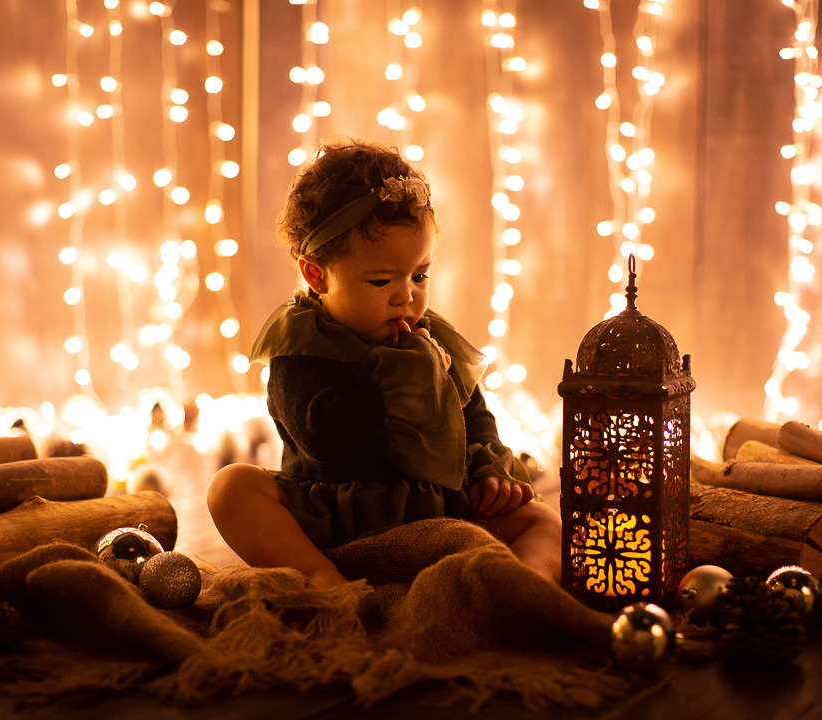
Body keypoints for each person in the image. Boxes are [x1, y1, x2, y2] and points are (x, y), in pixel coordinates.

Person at [207, 138, 562, 588]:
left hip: (433, 522)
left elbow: (471, 412)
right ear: (317, 274)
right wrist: (397, 381)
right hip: (335, 526)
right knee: (231, 489)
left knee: (541, 519)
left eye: (419, 275)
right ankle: (323, 582)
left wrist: (488, 471)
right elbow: (324, 440)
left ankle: (526, 591)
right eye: (381, 280)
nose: (406, 296)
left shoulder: (429, 339)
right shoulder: (302, 344)